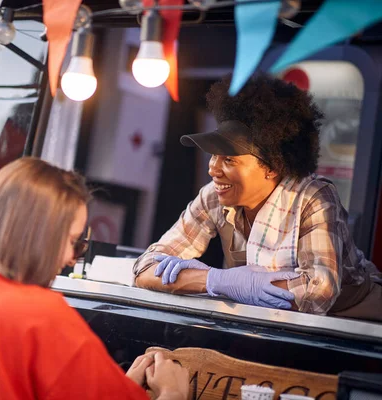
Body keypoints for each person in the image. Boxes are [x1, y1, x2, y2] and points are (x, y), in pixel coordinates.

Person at [0, 157, 189, 400]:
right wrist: (173, 393)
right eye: (72, 241)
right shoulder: (41, 314)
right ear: (39, 235)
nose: (70, 258)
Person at [134, 75, 382, 321]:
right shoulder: (213, 197)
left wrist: (244, 284)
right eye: (213, 156)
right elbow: (144, 268)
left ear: (272, 166)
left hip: (356, 323)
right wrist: (216, 280)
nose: (213, 169)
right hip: (273, 324)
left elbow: (318, 291)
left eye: (229, 159)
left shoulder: (312, 197)